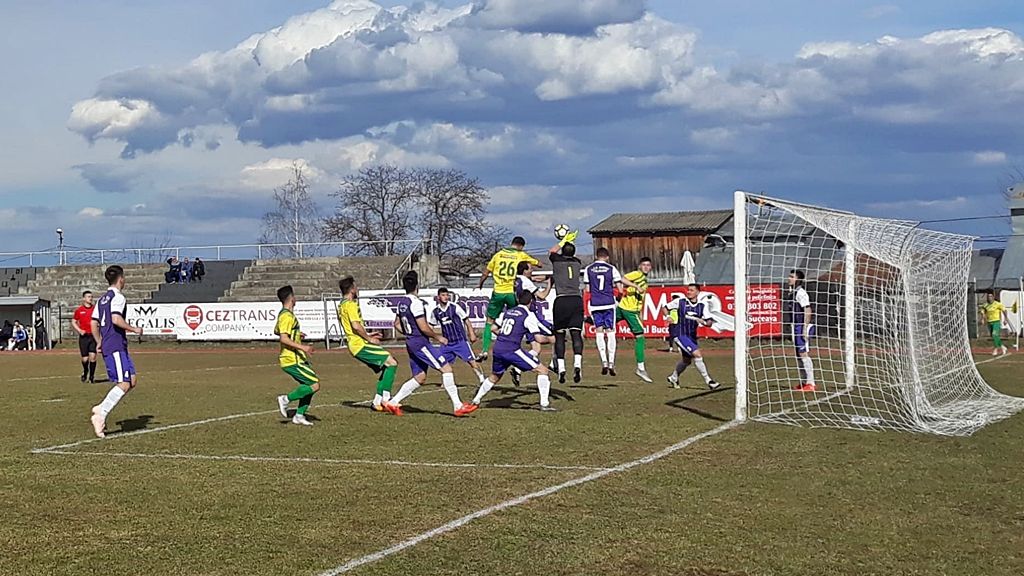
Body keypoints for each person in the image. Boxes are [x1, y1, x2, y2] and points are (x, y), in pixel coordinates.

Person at [386, 271, 478, 417]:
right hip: (421, 343)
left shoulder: (402, 302)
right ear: (417, 286)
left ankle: (393, 402)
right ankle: (458, 406)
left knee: (420, 377)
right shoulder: (416, 303)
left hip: (411, 342)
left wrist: (409, 333)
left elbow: (396, 324)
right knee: (446, 369)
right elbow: (423, 327)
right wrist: (437, 337)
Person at [470, 290, 556, 411]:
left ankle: (476, 400)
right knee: (543, 370)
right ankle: (544, 404)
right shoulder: (528, 315)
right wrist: (553, 340)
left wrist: (505, 335)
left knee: (494, 376)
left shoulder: (508, 312)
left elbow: (493, 328)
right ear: (531, 301)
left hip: (498, 347)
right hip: (511, 349)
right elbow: (539, 339)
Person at [89, 265, 145, 438]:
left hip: (114, 344)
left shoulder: (102, 299)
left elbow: (93, 323)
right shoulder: (118, 297)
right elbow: (115, 318)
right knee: (124, 383)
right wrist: (133, 329)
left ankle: (101, 408)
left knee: (132, 380)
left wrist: (99, 341)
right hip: (115, 345)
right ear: (121, 279)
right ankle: (101, 414)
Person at [337, 276, 399, 411]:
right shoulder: (351, 304)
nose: (357, 289)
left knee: (386, 366)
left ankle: (377, 402)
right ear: (352, 289)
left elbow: (350, 327)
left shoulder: (341, 305)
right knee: (392, 363)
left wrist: (368, 335)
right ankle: (386, 399)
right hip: (360, 344)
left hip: (355, 343)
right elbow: (355, 326)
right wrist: (368, 339)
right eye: (356, 286)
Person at [477, 236, 541, 361]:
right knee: (519, 319)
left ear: (511, 243)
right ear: (521, 246)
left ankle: (484, 351)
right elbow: (538, 264)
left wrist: (480, 284)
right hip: (511, 292)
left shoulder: (498, 255)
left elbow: (486, 272)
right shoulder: (520, 255)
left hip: (498, 292)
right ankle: (521, 347)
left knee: (489, 322)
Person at [583, 248, 638, 376]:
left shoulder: (588, 269)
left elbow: (587, 289)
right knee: (611, 332)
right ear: (607, 257)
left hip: (595, 304)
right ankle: (612, 362)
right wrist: (618, 299)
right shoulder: (611, 268)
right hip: (608, 303)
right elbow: (620, 288)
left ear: (596, 256)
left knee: (599, 331)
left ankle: (604, 362)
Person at [274, 285, 319, 426]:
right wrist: (303, 347)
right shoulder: (287, 316)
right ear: (291, 298)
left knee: (309, 385)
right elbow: (283, 338)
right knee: (314, 385)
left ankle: (299, 416)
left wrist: (296, 334)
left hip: (296, 358)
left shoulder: (284, 314)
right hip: (291, 359)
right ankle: (286, 399)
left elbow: (277, 331)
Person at [663, 284, 720, 390]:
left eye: (691, 290)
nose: (688, 292)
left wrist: (705, 322)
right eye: (688, 290)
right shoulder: (680, 301)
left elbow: (709, 322)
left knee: (686, 361)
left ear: (698, 292)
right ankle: (709, 381)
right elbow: (665, 307)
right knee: (697, 354)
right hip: (679, 334)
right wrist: (668, 316)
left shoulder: (702, 306)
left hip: (691, 336)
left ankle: (673, 377)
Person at [548, 234, 586, 384]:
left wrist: (562, 240)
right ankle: (577, 365)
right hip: (576, 299)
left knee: (559, 335)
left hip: (562, 299)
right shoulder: (577, 262)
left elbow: (551, 251)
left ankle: (562, 368)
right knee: (576, 334)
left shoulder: (557, 261)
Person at [431, 287, 487, 384]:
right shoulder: (435, 312)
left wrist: (472, 334)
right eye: (443, 295)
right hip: (447, 343)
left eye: (447, 295)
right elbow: (430, 326)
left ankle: (482, 379)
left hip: (460, 341)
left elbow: (466, 320)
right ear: (438, 297)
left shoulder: (454, 307)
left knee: (471, 361)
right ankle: (447, 382)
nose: (446, 297)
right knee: (441, 362)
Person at [512, 261, 553, 386]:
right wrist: (550, 283)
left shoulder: (517, 280)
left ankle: (517, 369)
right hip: (532, 316)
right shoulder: (526, 281)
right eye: (530, 269)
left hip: (523, 315)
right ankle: (555, 363)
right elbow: (542, 296)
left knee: (536, 348)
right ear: (524, 270)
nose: (532, 271)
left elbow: (534, 279)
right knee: (556, 335)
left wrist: (546, 277)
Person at [617, 257, 653, 382]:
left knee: (605, 323)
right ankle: (640, 368)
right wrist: (636, 286)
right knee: (640, 337)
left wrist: (641, 313)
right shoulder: (637, 275)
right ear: (639, 266)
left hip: (624, 308)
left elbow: (640, 298)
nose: (646, 267)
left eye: (648, 265)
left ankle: (584, 320)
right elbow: (621, 278)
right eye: (644, 265)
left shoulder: (645, 280)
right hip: (629, 310)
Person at [789, 270, 816, 392]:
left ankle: (811, 383)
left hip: (802, 325)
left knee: (803, 352)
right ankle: (804, 382)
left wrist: (805, 328)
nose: (789, 279)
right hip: (796, 326)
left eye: (791, 277)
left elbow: (807, 309)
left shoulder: (801, 293)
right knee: (798, 354)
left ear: (798, 279)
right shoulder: (792, 292)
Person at [72, 290, 98, 382]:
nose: (90, 298)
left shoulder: (95, 309)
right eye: (88, 297)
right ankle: (85, 371)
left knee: (93, 357)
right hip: (84, 337)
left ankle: (91, 377)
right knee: (85, 359)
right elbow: (74, 321)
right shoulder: (79, 310)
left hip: (93, 336)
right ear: (84, 298)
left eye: (91, 297)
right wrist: (79, 330)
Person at [980, 291, 1011, 356]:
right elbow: (983, 312)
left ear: (993, 297)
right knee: (994, 336)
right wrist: (982, 319)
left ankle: (996, 349)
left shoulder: (997, 304)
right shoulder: (985, 305)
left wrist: (1005, 319)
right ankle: (1003, 347)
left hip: (996, 321)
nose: (989, 298)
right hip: (989, 322)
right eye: (988, 297)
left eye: (991, 296)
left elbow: (1004, 310)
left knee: (994, 335)